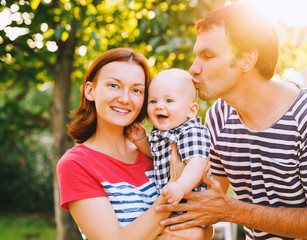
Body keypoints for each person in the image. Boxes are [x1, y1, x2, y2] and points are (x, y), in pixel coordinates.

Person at [155, 4, 307, 240]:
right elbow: (206, 201)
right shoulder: (218, 117)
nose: (193, 69)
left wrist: (231, 211)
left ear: (246, 59)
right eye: (196, 56)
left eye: (208, 56)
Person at [56, 48, 211, 240]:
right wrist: (171, 193)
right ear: (90, 90)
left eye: (136, 90)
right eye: (113, 85)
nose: (125, 98)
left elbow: (204, 229)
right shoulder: (76, 164)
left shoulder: (157, 150)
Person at [127, 68, 210, 205]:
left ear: (191, 110)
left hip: (191, 205)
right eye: (153, 101)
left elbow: (197, 164)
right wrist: (142, 140)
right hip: (172, 205)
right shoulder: (161, 134)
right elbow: (156, 155)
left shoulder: (190, 132)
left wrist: (180, 187)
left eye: (169, 100)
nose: (159, 106)